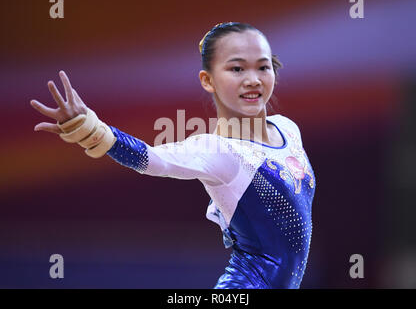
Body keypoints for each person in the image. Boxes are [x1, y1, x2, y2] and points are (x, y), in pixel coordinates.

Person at [30, 22, 316, 289]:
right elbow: (153, 159)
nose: (253, 80)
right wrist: (90, 129)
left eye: (263, 67)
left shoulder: (287, 129)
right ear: (208, 80)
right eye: (237, 69)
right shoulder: (218, 151)